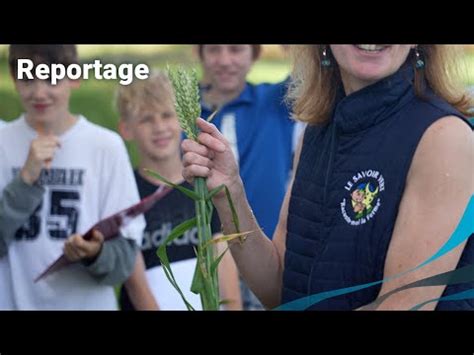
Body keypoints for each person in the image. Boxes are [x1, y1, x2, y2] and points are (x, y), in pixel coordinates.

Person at [182, 45, 474, 310]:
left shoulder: (443, 138)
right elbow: (279, 289)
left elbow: (405, 304)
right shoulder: (317, 132)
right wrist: (231, 193)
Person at [0, 45, 145, 310]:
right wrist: (25, 182)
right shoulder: (3, 143)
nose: (39, 91)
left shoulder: (106, 147)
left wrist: (96, 253)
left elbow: (124, 261)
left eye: (52, 78)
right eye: (27, 78)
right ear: (13, 76)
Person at [117, 71, 242, 310]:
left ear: (183, 118)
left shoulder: (204, 183)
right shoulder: (124, 190)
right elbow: (135, 281)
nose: (160, 127)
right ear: (126, 128)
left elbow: (223, 254)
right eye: (146, 119)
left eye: (167, 115)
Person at [197, 44, 304, 310]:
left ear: (255, 54)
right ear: (199, 54)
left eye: (236, 50)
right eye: (213, 50)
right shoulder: (184, 111)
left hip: (265, 254)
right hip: (208, 264)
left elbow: (308, 71)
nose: (224, 60)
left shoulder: (274, 100)